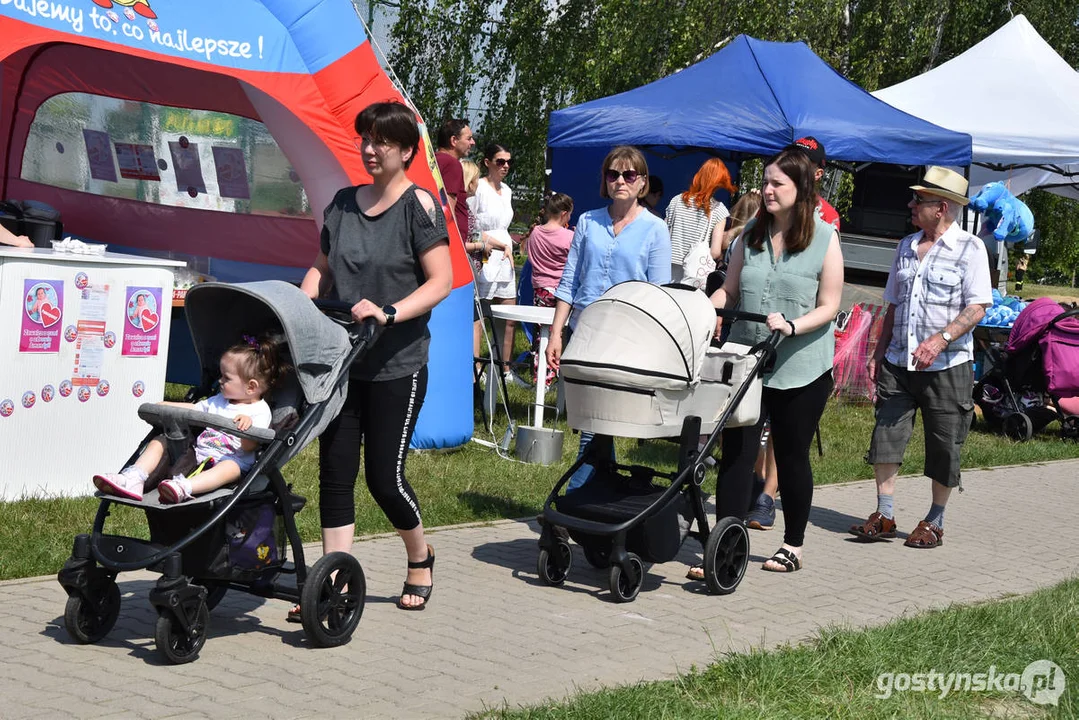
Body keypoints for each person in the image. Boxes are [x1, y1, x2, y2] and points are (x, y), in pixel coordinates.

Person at [301, 101, 453, 611]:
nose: (370, 148)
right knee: (335, 473)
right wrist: (300, 311)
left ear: (407, 150)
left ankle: (420, 556)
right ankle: (334, 579)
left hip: (397, 364)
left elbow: (441, 281)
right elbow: (320, 270)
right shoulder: (343, 205)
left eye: (382, 141)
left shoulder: (419, 206)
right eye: (365, 138)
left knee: (384, 479)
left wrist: (389, 312)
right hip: (343, 363)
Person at [692, 147, 844, 576]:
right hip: (747, 362)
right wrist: (708, 308)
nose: (767, 189)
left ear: (802, 188)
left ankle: (792, 545)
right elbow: (732, 290)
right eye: (766, 181)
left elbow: (830, 305)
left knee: (792, 455)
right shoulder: (749, 236)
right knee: (737, 453)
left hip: (802, 367)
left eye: (778, 183)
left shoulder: (825, 238)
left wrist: (794, 325)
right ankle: (724, 544)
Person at [851, 166, 992, 550]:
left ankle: (935, 521)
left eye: (919, 200)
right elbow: (893, 305)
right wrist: (878, 352)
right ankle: (884, 513)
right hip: (899, 362)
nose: (911, 205)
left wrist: (941, 340)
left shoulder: (970, 249)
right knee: (886, 436)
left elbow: (978, 306)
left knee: (945, 444)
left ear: (941, 208)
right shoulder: (906, 246)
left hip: (947, 366)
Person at [547, 145, 671, 491]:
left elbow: (658, 294)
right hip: (584, 331)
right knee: (593, 420)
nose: (620, 181)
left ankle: (572, 498)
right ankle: (602, 495)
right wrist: (556, 333)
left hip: (625, 338)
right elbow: (570, 280)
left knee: (597, 422)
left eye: (629, 175)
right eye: (613, 174)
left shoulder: (655, 229)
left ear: (642, 182)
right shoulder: (588, 221)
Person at [92, 335, 281, 503]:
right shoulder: (219, 401)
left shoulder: (260, 411)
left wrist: (246, 428)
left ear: (251, 387)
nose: (220, 381)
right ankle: (134, 477)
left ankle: (185, 487)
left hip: (231, 459)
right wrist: (168, 405)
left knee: (230, 468)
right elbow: (195, 410)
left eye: (226, 378)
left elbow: (250, 447)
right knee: (161, 440)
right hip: (195, 454)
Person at [469, 142, 519, 378]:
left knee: (508, 315)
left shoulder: (508, 191)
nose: (506, 166)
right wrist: (494, 244)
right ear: (487, 162)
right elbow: (471, 229)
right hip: (485, 253)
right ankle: (476, 367)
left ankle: (504, 369)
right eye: (500, 161)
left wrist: (507, 245)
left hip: (506, 256)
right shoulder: (477, 187)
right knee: (479, 314)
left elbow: (504, 226)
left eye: (509, 161)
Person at [524, 192, 574, 388]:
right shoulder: (569, 236)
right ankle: (551, 376)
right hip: (560, 292)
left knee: (541, 335)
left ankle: (540, 374)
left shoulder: (535, 232)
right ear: (564, 213)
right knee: (558, 335)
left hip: (539, 291)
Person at [665, 158, 737, 284]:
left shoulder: (676, 200)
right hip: (694, 271)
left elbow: (664, 233)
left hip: (667, 267)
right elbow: (715, 251)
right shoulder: (719, 210)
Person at [434, 118, 475, 241]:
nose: (473, 142)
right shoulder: (452, 164)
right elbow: (447, 210)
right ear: (454, 140)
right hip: (449, 243)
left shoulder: (434, 160)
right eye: (468, 138)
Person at [789, 137, 841, 231]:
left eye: (801, 162)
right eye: (789, 158)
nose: (792, 164)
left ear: (817, 174)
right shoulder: (773, 201)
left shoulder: (827, 214)